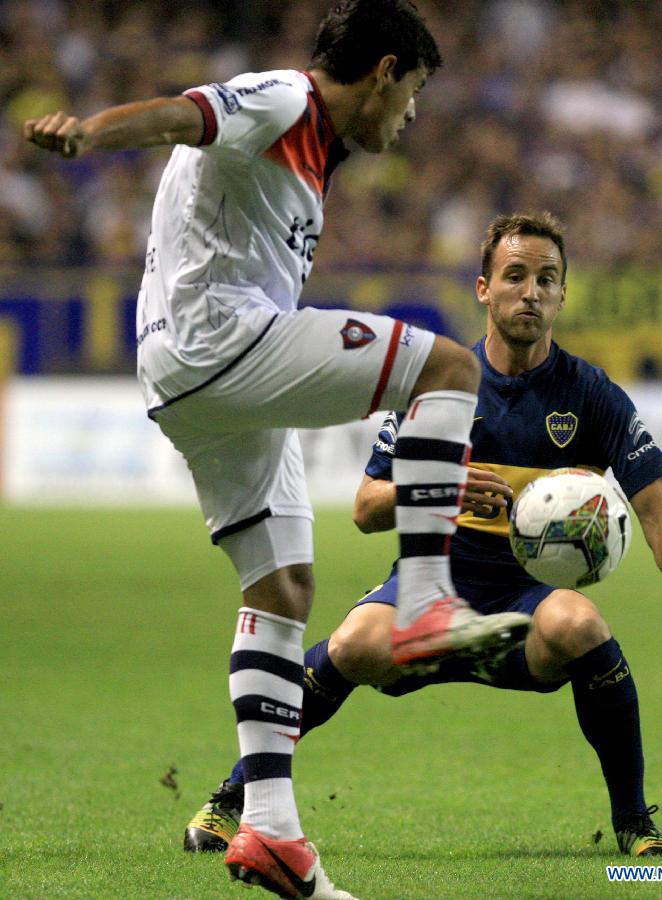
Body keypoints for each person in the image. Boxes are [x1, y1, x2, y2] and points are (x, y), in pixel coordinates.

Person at [24, 4, 531, 897]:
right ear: (383, 72)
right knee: (449, 366)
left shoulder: (314, 153)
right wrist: (88, 135)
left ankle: (271, 832)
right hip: (220, 343)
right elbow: (187, 113)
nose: (409, 117)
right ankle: (424, 600)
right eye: (411, 94)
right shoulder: (287, 99)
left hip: (193, 376)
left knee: (283, 589)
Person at [185, 212, 662, 862]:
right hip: (431, 597)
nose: (530, 292)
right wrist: (443, 487)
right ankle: (235, 794)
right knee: (353, 643)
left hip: (527, 608)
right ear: (483, 289)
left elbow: (658, 511)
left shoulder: (591, 395)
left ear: (561, 295)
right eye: (515, 276)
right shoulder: (440, 387)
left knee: (583, 624)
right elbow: (366, 507)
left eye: (546, 279)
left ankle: (636, 824)